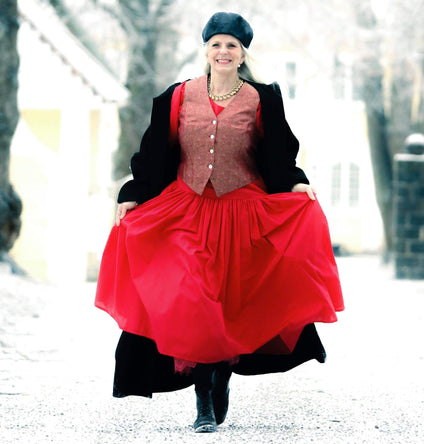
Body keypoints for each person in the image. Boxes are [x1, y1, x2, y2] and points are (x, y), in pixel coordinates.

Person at [95, 11, 344, 434]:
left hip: (242, 213)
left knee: (226, 308)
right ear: (205, 50)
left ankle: (220, 379)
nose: (223, 52)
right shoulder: (177, 96)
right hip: (186, 209)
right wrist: (133, 193)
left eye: (231, 45)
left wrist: (295, 184)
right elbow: (156, 152)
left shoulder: (263, 98)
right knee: (195, 299)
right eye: (216, 44)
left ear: (242, 52)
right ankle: (203, 401)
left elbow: (278, 153)